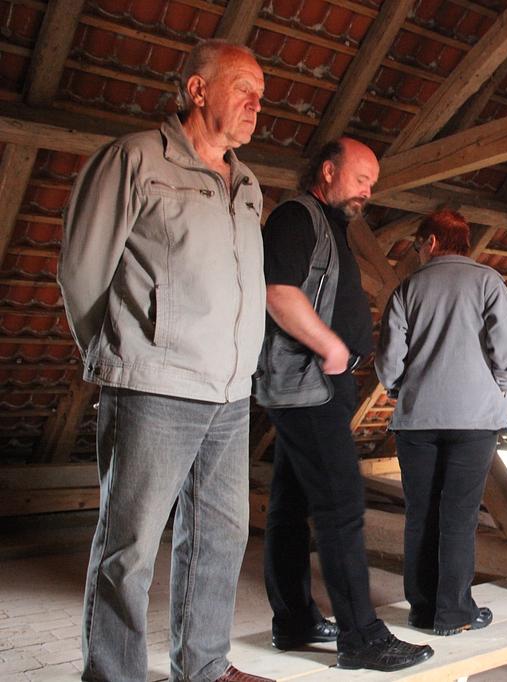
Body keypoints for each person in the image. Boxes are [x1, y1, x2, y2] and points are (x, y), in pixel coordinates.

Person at [60, 40, 272, 682]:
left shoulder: (248, 184)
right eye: (243, 88)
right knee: (128, 546)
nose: (256, 105)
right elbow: (82, 271)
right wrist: (122, 356)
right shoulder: (134, 159)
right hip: (154, 386)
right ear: (198, 89)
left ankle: (203, 668)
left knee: (219, 538)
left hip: (230, 393)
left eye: (261, 95)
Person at [254, 138, 432, 671]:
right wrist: (332, 347)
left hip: (316, 384)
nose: (368, 191)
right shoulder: (296, 217)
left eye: (371, 183)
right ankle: (362, 638)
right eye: (360, 179)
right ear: (328, 171)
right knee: (341, 504)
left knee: (290, 505)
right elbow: (277, 292)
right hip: (308, 383)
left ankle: (295, 621)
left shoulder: (329, 225)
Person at [376, 210, 507, 636]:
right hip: (474, 421)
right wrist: (499, 386)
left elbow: (389, 356)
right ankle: (453, 613)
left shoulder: (408, 288)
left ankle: (421, 609)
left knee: (420, 514)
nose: (417, 252)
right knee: (458, 515)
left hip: (418, 419)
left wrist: (399, 386)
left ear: (433, 242)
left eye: (418, 244)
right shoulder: (488, 282)